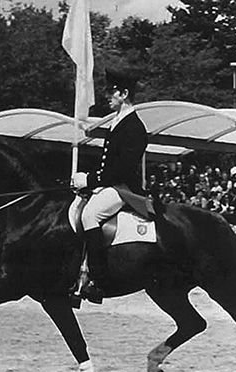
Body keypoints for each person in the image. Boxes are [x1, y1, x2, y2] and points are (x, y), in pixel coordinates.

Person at [71, 66, 148, 304]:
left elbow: (121, 169)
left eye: (112, 92)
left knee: (90, 215)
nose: (107, 96)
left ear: (124, 94)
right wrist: (89, 180)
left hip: (124, 189)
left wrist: (90, 179)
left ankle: (98, 280)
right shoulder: (118, 121)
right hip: (112, 184)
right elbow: (108, 165)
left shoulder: (134, 126)